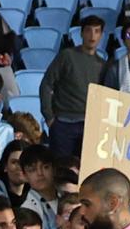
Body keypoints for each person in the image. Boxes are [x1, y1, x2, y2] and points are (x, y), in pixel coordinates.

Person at [39, 15, 107, 159]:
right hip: (63, 123)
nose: (92, 35)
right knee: (61, 170)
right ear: (81, 33)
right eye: (88, 31)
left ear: (101, 35)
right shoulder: (67, 56)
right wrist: (49, 117)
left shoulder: (102, 64)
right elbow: (46, 84)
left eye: (97, 31)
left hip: (89, 125)